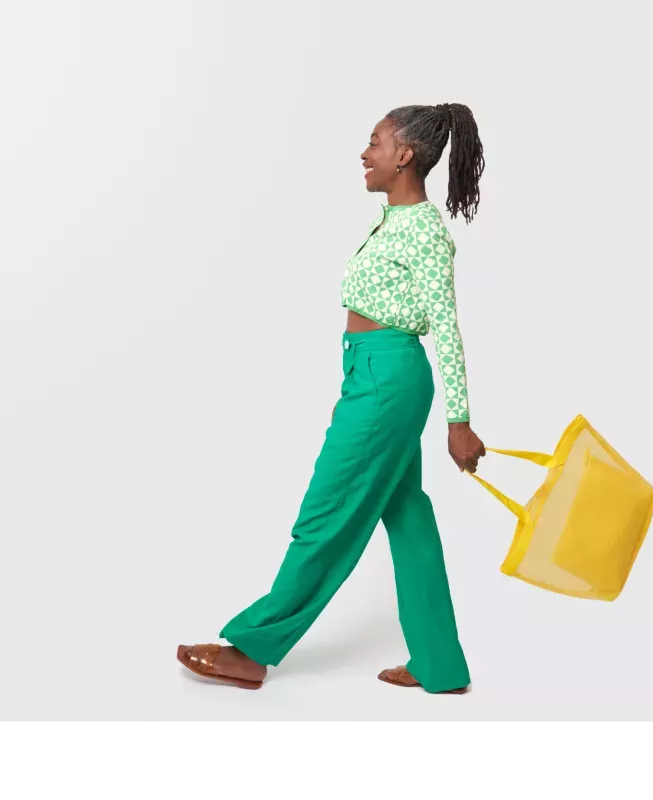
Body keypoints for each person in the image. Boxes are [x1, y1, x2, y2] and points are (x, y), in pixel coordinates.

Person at [177, 103, 486, 695]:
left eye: (375, 142)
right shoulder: (393, 221)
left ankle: (252, 649)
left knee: (326, 514)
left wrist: (459, 420)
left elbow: (446, 325)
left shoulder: (423, 230)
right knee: (407, 514)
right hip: (372, 374)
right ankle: (441, 665)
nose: (364, 154)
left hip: (387, 381)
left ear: (404, 156)